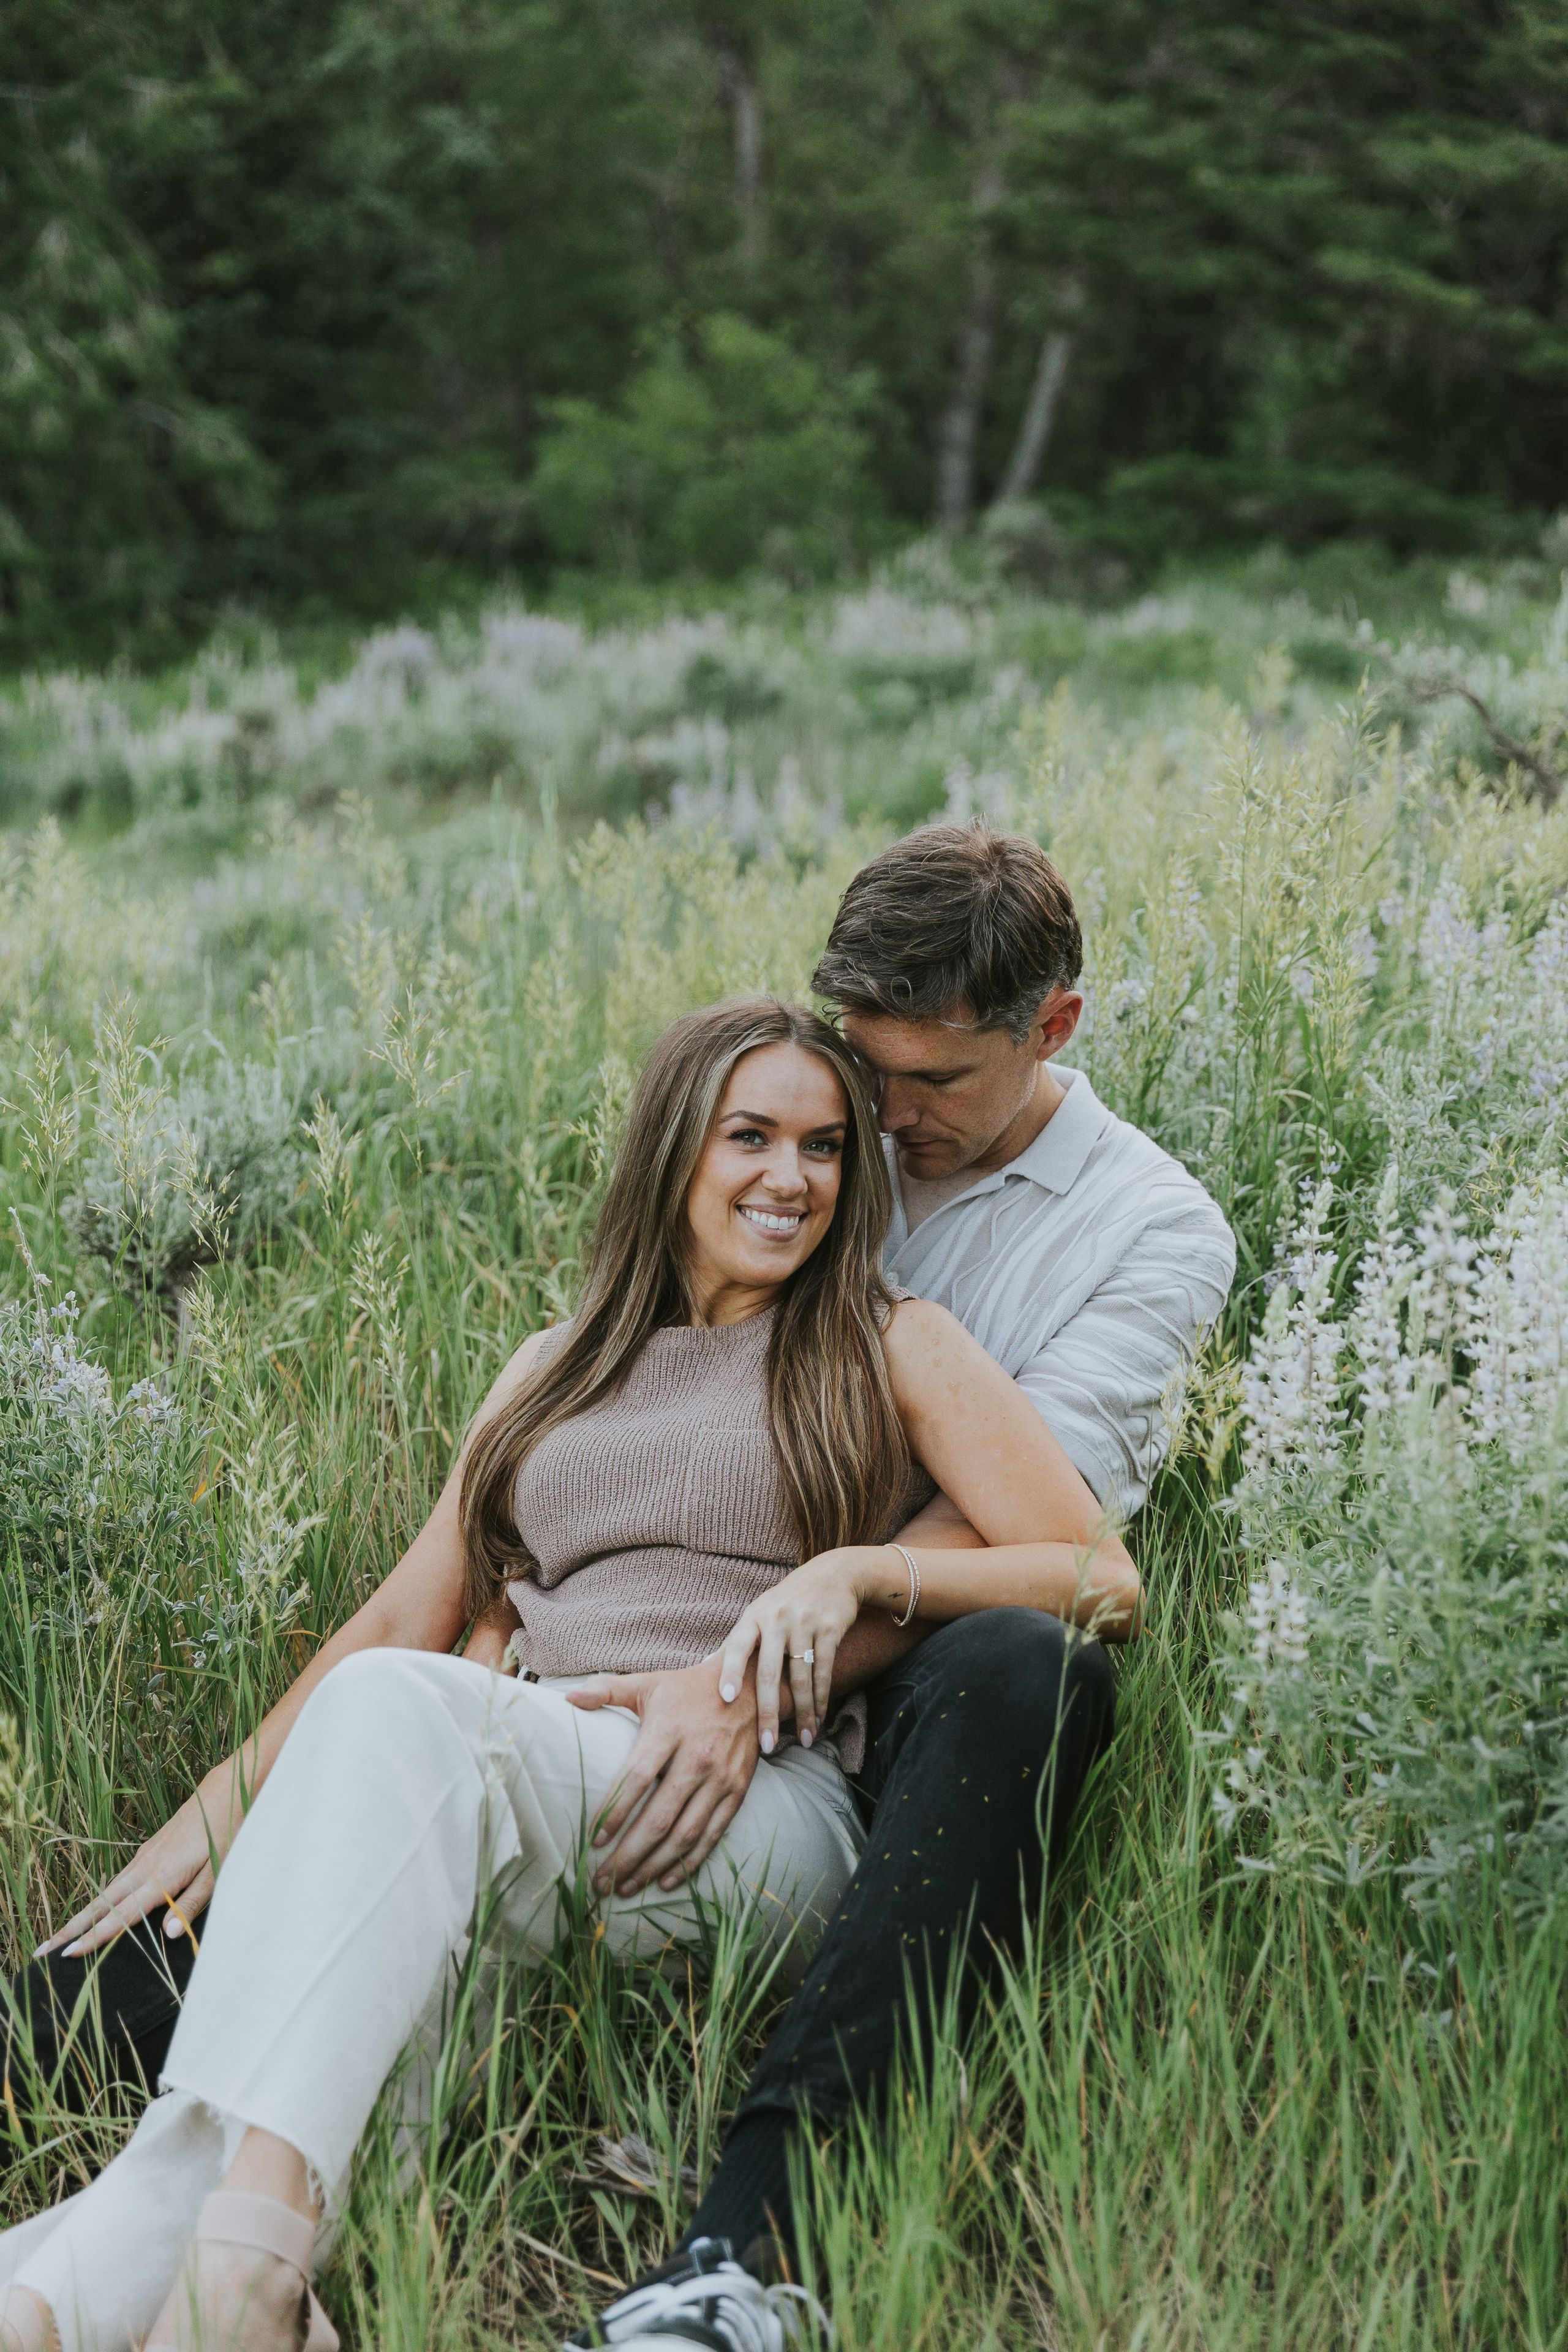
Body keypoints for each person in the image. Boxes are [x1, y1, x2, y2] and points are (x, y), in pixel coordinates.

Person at [0, 990, 1140, 2352]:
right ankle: (99, 2307)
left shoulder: (889, 1342)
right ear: (673, 1147)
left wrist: (846, 1576)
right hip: (515, 1783)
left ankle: (245, 2279)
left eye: (827, 1147)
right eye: (751, 1137)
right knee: (310, 1991)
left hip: (745, 1810)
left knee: (391, 1731)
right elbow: (405, 1617)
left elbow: (1094, 1574)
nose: (791, 1178)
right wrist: (221, 1805)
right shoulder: (551, 1368)